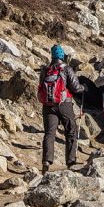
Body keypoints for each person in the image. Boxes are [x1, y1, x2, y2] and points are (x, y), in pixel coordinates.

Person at [38, 44, 86, 172]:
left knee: (49, 133)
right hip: (64, 104)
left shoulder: (45, 70)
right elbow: (76, 88)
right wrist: (84, 88)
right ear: (62, 56)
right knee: (71, 131)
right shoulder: (67, 69)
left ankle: (46, 161)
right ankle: (70, 162)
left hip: (48, 105)